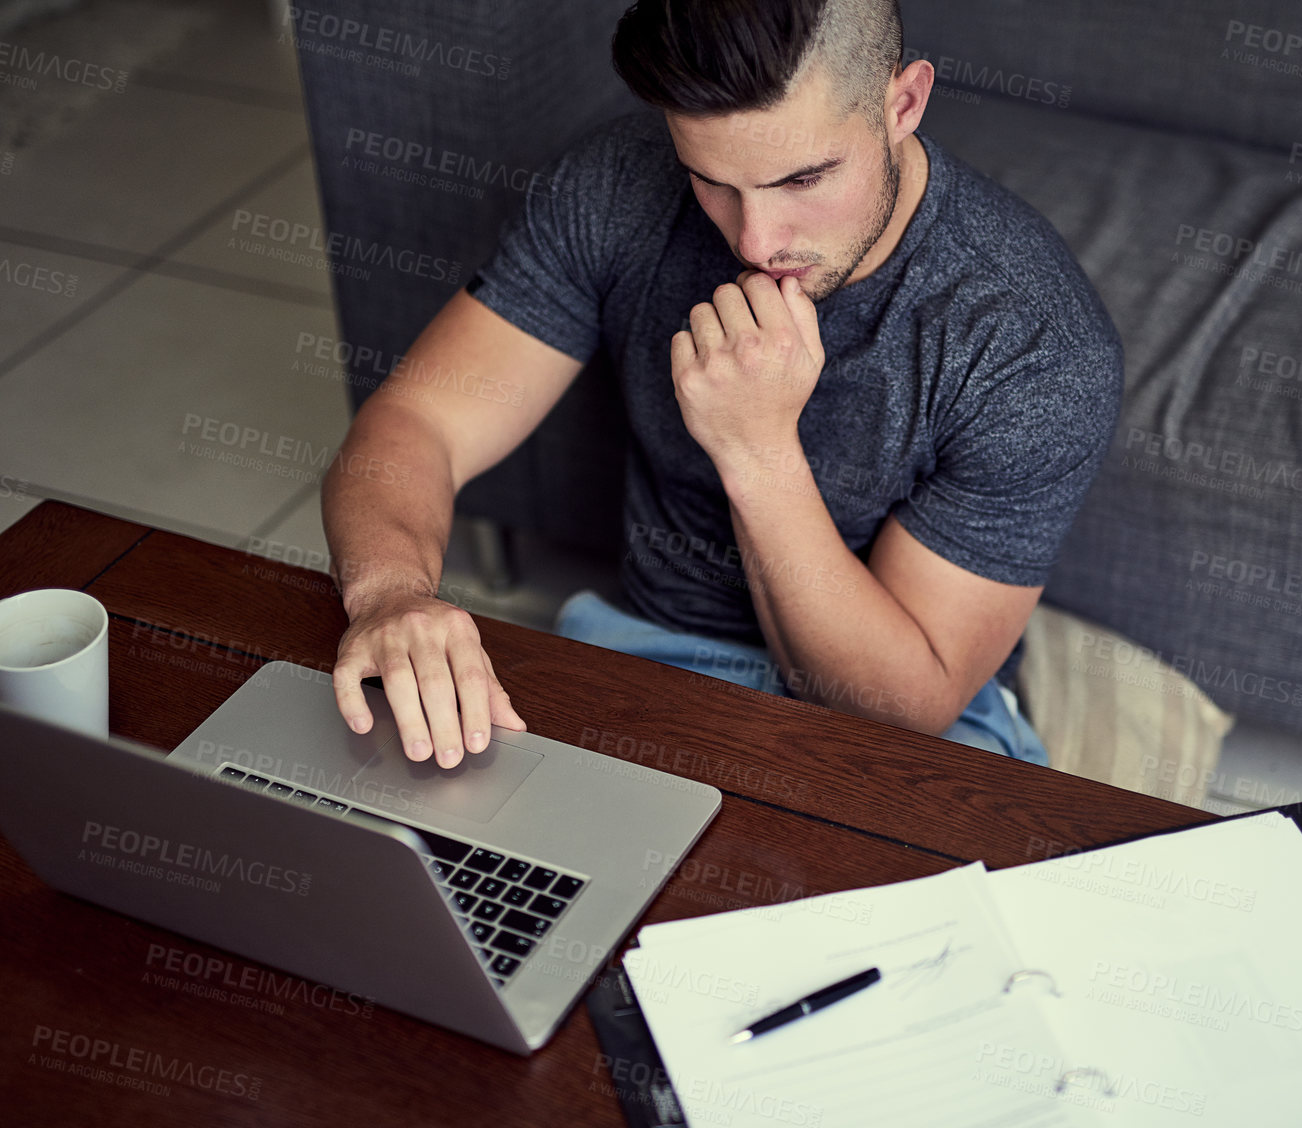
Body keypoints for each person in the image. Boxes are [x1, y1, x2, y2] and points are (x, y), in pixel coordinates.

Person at [320, 0, 1122, 769]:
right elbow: (421, 420)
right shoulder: (614, 185)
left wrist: (757, 448)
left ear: (903, 102)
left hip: (911, 719)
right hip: (652, 647)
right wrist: (391, 595)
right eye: (710, 180)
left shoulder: (1033, 343)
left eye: (803, 179)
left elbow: (900, 708)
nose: (757, 239)